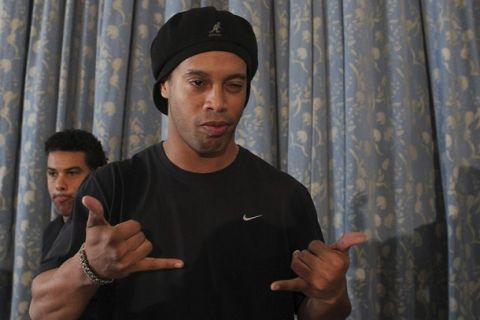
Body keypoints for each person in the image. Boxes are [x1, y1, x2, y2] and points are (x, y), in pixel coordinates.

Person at [29, 7, 366, 320]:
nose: (217, 102)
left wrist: (331, 294)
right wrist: (90, 267)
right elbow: (42, 311)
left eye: (234, 85)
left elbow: (319, 310)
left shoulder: (285, 195)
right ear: (165, 86)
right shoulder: (113, 185)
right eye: (198, 83)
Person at [42, 129, 107, 258]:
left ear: (97, 175)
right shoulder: (51, 231)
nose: (59, 185)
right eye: (52, 173)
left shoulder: (111, 229)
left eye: (72, 173)